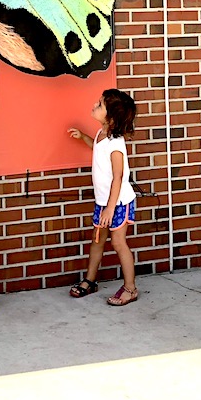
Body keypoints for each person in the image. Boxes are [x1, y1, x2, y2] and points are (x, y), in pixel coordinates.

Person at [66, 89, 139, 306]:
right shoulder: (101, 135)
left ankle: (130, 288)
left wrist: (109, 208)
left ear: (111, 117)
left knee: (118, 243)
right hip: (103, 202)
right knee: (97, 240)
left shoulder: (117, 145)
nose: (95, 105)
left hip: (118, 203)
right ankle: (90, 280)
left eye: (100, 105)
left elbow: (118, 178)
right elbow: (97, 148)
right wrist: (83, 137)